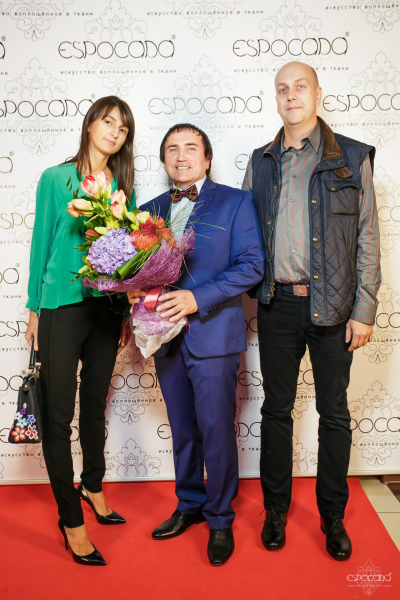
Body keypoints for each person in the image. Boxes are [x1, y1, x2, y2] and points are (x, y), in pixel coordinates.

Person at [242, 61, 381, 560]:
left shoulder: (352, 156)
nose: (291, 95)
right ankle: (275, 511)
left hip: (336, 307)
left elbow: (367, 236)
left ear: (318, 94)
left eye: (300, 86)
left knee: (334, 414)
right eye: (282, 89)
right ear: (276, 98)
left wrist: (365, 309)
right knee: (276, 411)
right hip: (277, 305)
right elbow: (245, 237)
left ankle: (332, 516)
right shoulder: (261, 161)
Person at [128, 124, 264, 566]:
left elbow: (252, 265)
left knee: (216, 430)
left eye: (191, 148)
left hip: (214, 334)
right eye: (172, 149)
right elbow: (138, 270)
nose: (181, 156)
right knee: (183, 428)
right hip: (163, 337)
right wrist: (133, 288)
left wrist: (196, 298)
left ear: (207, 159)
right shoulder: (147, 211)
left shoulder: (236, 202)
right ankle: (189, 504)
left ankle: (220, 518)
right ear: (164, 160)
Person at [25, 96, 135, 566]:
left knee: (94, 403)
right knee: (58, 414)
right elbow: (41, 242)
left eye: (123, 129)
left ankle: (93, 485)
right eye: (107, 122)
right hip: (62, 305)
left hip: (106, 308)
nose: (114, 132)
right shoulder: (56, 178)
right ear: (90, 124)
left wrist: (125, 311)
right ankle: (70, 519)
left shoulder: (122, 187)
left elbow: (126, 257)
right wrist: (34, 308)